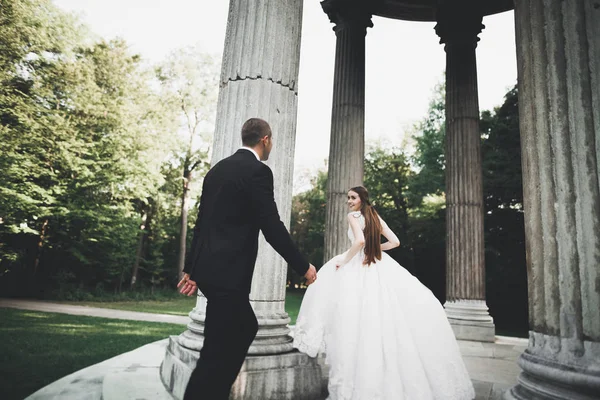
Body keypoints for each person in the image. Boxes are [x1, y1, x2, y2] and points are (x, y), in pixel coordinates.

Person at [178, 117, 317, 400]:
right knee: (238, 333)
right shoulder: (258, 172)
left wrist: (191, 269)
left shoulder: (217, 170)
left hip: (209, 272)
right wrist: (303, 266)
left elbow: (202, 222)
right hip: (229, 274)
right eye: (272, 141)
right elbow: (272, 227)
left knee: (219, 343)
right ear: (265, 139)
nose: (272, 146)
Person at [293, 186, 475, 400]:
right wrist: (376, 250)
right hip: (378, 263)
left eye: (353, 197)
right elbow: (395, 242)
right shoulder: (374, 216)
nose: (349, 201)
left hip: (359, 264)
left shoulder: (353, 216)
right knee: (381, 316)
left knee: (353, 316)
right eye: (348, 198)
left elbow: (359, 241)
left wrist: (345, 259)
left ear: (361, 199)